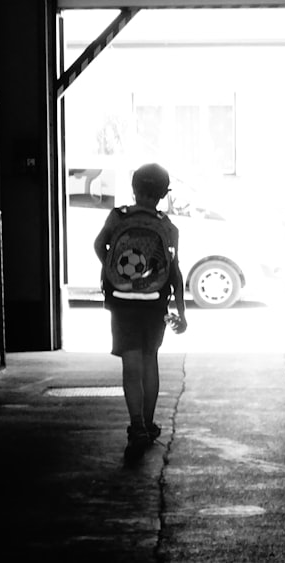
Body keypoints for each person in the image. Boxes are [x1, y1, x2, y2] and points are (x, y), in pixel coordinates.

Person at [94, 163, 188, 461]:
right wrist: (182, 312)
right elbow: (174, 272)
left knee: (130, 364)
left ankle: (136, 426)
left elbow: (99, 245)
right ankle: (148, 424)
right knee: (149, 361)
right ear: (162, 194)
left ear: (133, 188)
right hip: (154, 301)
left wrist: (113, 268)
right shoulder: (167, 226)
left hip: (122, 301)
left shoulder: (117, 217)